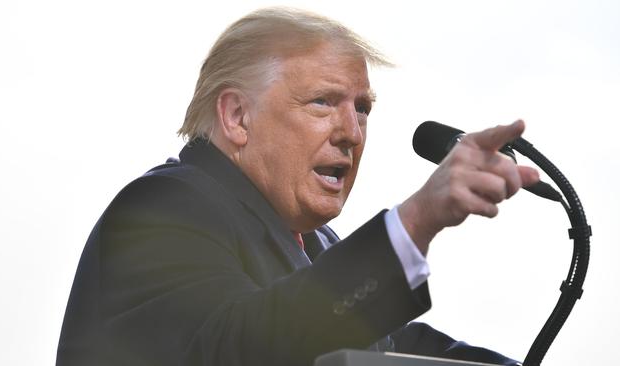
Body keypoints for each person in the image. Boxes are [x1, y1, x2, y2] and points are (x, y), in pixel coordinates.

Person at [57, 7, 538, 366]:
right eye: (323, 102)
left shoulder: (319, 246)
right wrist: (416, 219)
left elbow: (398, 348)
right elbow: (244, 349)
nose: (351, 131)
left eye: (363, 108)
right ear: (237, 116)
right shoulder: (163, 208)